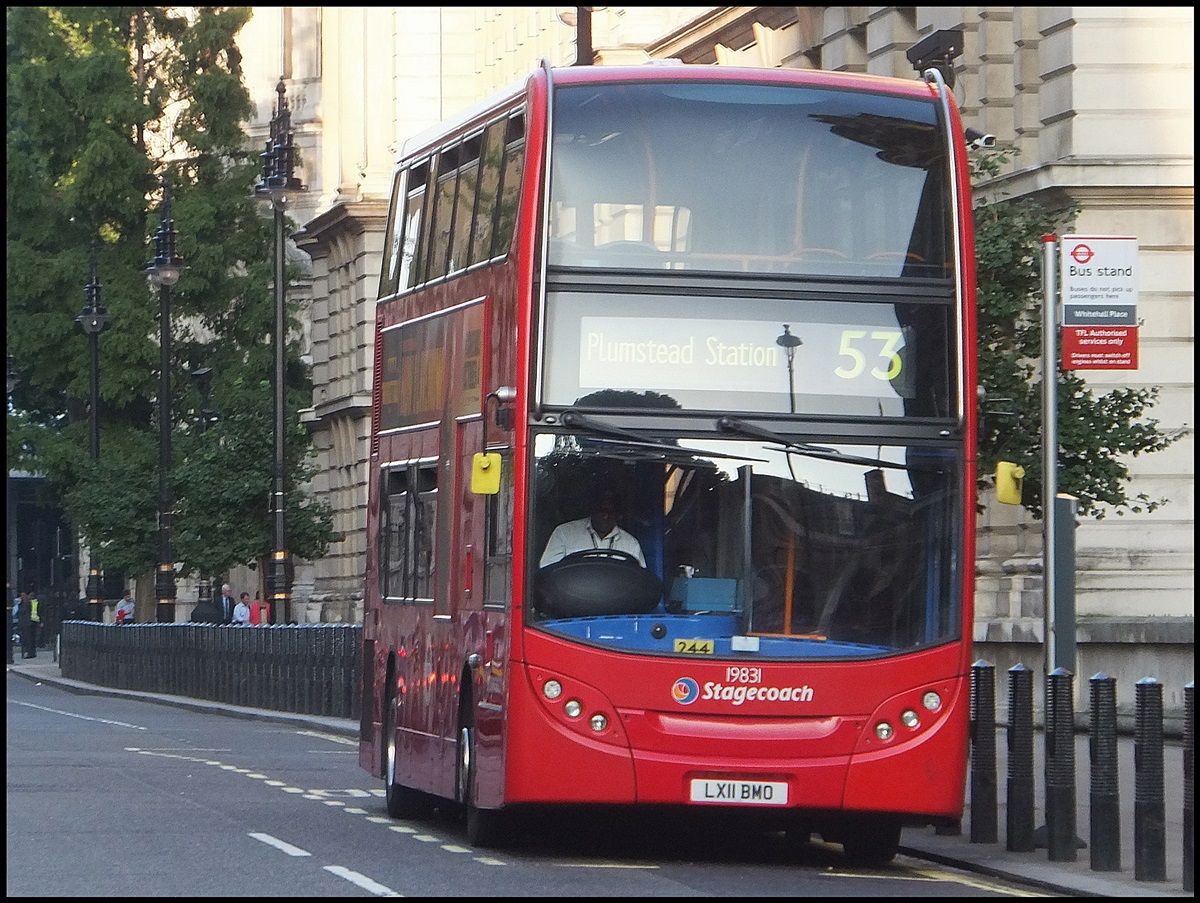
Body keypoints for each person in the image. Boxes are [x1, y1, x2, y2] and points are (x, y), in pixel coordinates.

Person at [540, 487, 646, 568]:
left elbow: (638, 580)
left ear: (618, 514)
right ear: (592, 510)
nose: (605, 516)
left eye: (610, 512)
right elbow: (548, 571)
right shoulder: (564, 533)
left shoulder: (631, 544)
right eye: (601, 511)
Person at [17, 592, 36, 659]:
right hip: (25, 623)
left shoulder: (26, 603)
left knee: (29, 639)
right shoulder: (25, 603)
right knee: (28, 639)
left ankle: (30, 653)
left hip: (26, 623)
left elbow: (22, 611)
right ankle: (30, 652)